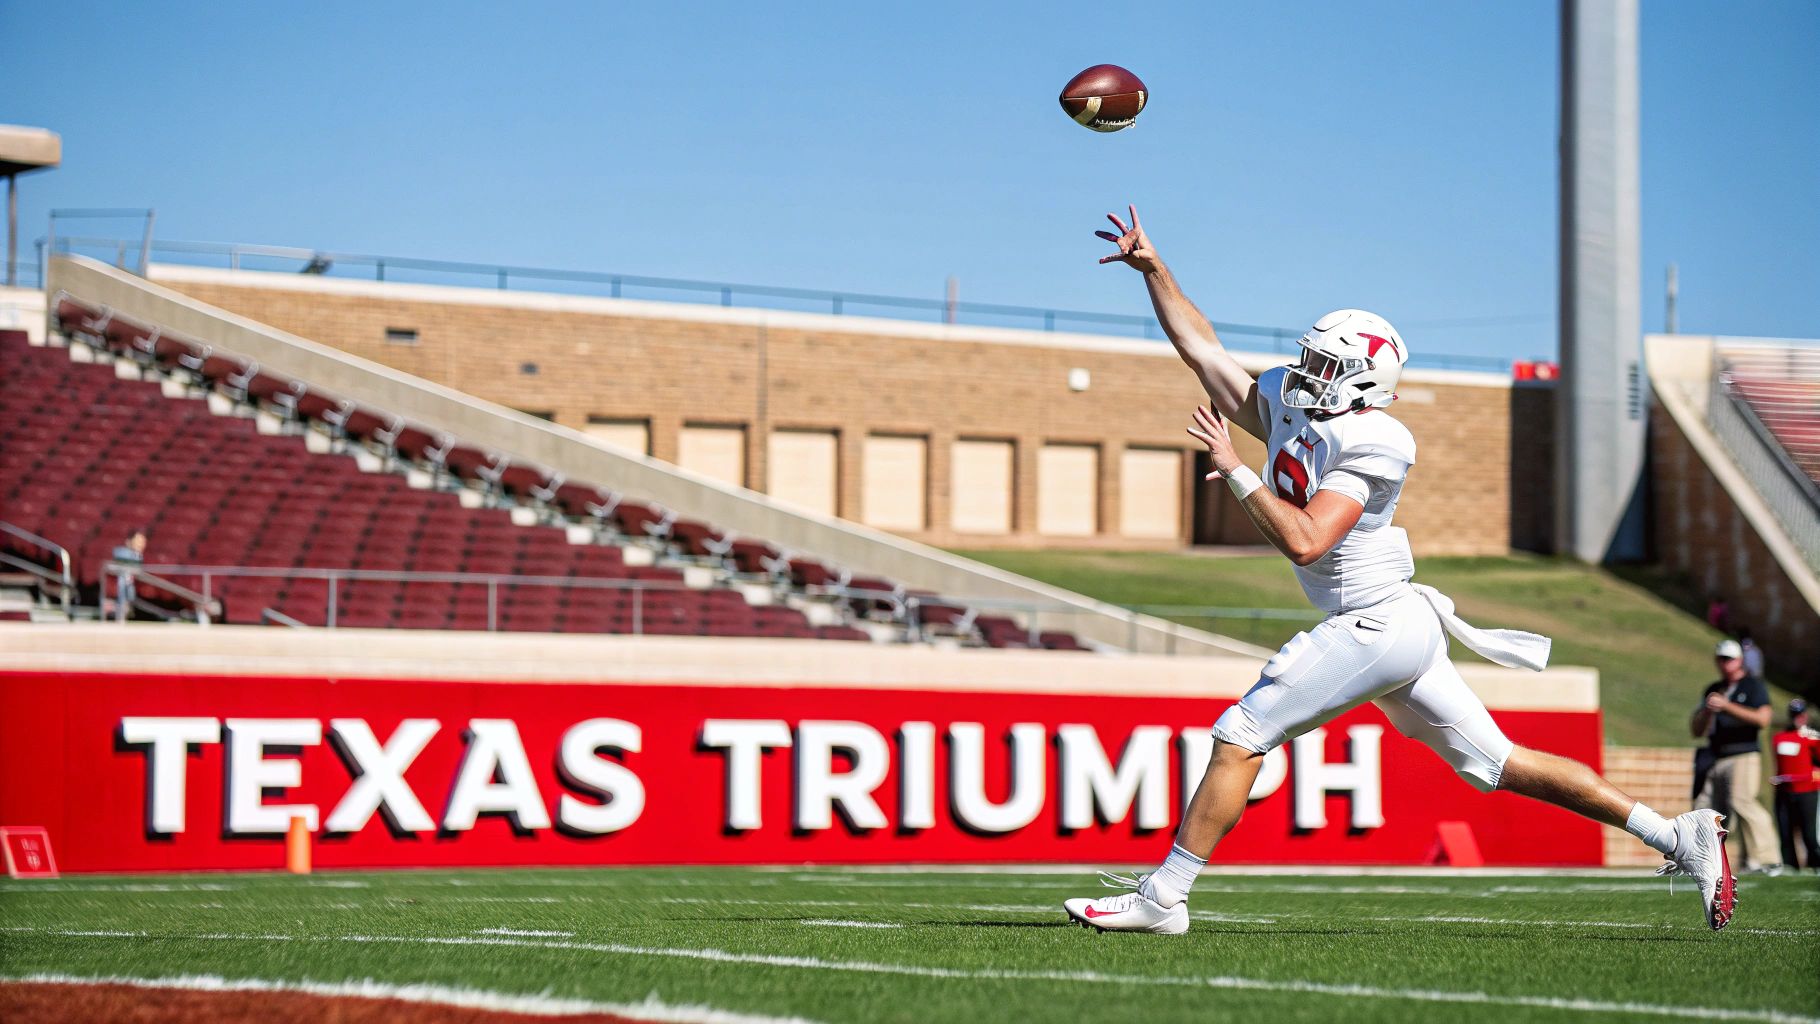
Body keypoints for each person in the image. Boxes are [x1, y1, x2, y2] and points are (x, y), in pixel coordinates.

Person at [1063, 207, 1737, 934]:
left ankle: (1164, 897)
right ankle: (1679, 837)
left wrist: (1232, 469)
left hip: (1373, 623)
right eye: (1311, 358)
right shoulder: (1294, 399)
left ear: (1360, 384)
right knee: (1500, 764)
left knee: (1243, 732)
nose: (1307, 373)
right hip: (1395, 622)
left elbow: (1305, 542)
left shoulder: (1377, 441)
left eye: (1326, 366)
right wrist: (1154, 269)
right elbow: (1204, 349)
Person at [1692, 639, 1782, 873]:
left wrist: (1727, 706)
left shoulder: (1752, 686)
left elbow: (1763, 719)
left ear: (1740, 660)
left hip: (1744, 753)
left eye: (1729, 659)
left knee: (1743, 801)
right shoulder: (1713, 688)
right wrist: (1707, 710)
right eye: (1721, 659)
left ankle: (1768, 857)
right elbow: (1696, 731)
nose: (1725, 663)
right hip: (1715, 756)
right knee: (1706, 808)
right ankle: (1703, 858)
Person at [1770, 698, 1820, 871]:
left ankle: (1815, 863)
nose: (1798, 718)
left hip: (1807, 791)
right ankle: (1790, 865)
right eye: (1795, 715)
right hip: (1785, 791)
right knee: (1786, 832)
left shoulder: (1813, 737)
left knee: (1809, 833)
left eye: (1801, 714)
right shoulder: (1780, 737)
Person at [109, 528, 147, 620]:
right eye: (137, 541)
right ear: (129, 542)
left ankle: (126, 608)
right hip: (123, 585)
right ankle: (122, 609)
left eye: (142, 542)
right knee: (123, 579)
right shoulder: (121, 552)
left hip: (131, 586)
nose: (140, 544)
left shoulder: (140, 556)